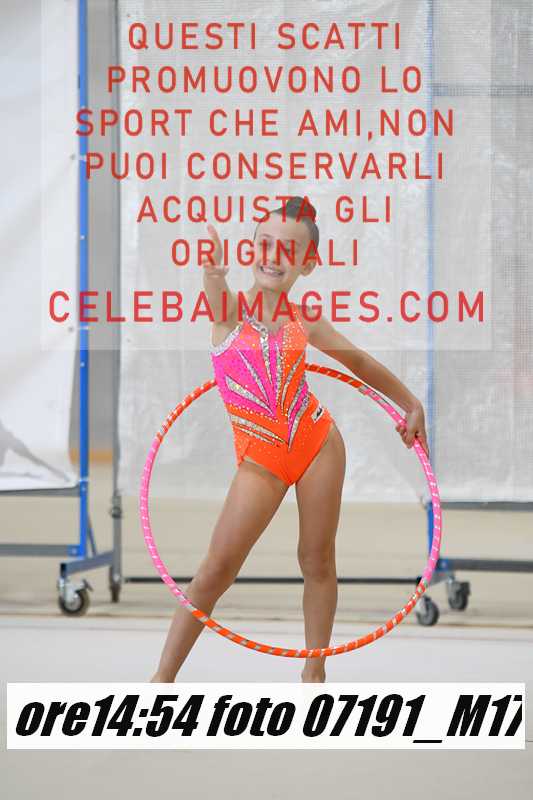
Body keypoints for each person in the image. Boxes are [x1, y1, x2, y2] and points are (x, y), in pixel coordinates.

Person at [150, 196, 429, 684]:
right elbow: (216, 295)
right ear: (250, 250)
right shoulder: (230, 313)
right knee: (216, 568)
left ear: (307, 263)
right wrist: (212, 272)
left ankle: (313, 673)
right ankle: (162, 681)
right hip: (261, 461)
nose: (273, 256)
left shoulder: (306, 320)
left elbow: (358, 363)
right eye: (264, 244)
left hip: (317, 443)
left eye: (287, 249)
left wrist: (410, 403)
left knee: (316, 559)